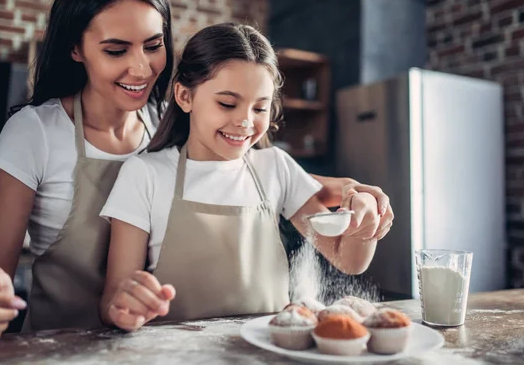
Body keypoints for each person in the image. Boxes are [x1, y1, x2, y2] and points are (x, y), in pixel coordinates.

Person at [0, 0, 392, 349]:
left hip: (153, 346)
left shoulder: (165, 123)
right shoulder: (36, 131)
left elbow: (255, 169)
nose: (143, 69)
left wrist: (351, 196)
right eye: (116, 50)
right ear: (76, 48)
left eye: (153, 45)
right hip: (62, 346)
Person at [99, 23, 392, 332]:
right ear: (185, 96)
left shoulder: (275, 167)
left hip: (269, 350)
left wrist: (364, 220)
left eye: (260, 108)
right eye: (227, 103)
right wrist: (125, 308)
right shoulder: (145, 174)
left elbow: (349, 260)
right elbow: (111, 300)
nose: (244, 121)